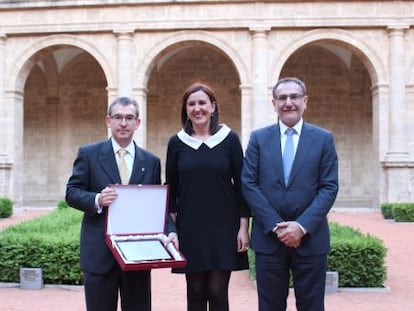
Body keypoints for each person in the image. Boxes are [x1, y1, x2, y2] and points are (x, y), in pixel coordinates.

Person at [66, 96, 178, 311]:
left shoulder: (151, 161)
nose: (123, 123)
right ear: (108, 120)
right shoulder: (89, 154)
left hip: (138, 255)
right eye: (118, 117)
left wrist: (170, 230)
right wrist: (97, 199)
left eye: (129, 118)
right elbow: (72, 192)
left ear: (138, 123)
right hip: (99, 254)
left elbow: (156, 205)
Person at [241, 77, 339, 311]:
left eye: (294, 97)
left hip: (310, 239)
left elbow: (329, 187)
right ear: (273, 103)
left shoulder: (323, 139)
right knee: (270, 306)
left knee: (312, 306)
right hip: (269, 239)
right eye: (282, 98)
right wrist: (277, 226)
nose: (288, 103)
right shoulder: (259, 138)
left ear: (305, 101)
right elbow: (248, 183)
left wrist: (301, 226)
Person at [165, 82, 250, 311]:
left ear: (213, 106)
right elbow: (171, 190)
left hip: (224, 227)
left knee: (217, 291)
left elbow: (242, 186)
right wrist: (172, 231)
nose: (197, 108)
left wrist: (243, 228)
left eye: (202, 102)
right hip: (190, 227)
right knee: (194, 291)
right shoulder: (177, 143)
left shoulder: (229, 139)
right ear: (186, 110)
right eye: (191, 104)